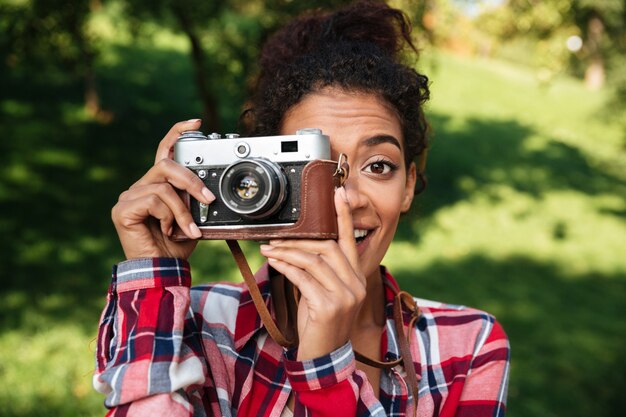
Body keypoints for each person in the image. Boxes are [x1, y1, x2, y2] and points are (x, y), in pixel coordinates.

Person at [93, 1, 510, 416]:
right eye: (313, 169)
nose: (347, 198)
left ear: (408, 186)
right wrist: (154, 280)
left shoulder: (468, 347)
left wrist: (324, 372)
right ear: (257, 177)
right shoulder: (194, 324)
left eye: (378, 166)